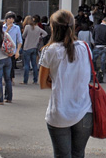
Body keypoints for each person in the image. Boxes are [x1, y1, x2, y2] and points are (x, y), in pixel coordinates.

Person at [39, 9, 93, 158]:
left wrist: (59, 83)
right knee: (78, 154)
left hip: (60, 111)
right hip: (85, 111)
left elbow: (42, 83)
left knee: (62, 155)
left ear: (53, 27)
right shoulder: (85, 47)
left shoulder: (50, 50)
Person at [0, 21, 15, 105]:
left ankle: (0, 99)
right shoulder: (5, 34)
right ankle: (9, 98)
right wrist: (9, 53)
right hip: (7, 59)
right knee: (8, 79)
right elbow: (13, 45)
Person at [22, 16, 47, 85]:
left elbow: (23, 36)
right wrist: (39, 37)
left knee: (27, 64)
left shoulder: (27, 27)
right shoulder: (37, 28)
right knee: (34, 65)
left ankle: (25, 80)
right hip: (34, 47)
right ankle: (35, 80)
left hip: (27, 47)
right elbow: (45, 33)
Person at [3, 12, 22, 80]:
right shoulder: (3, 27)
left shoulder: (16, 28)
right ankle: (6, 79)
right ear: (6, 19)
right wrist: (7, 29)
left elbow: (19, 40)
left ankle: (11, 79)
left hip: (12, 50)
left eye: (12, 18)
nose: (11, 20)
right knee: (4, 66)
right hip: (4, 50)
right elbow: (2, 38)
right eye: (9, 18)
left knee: (11, 66)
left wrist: (17, 51)